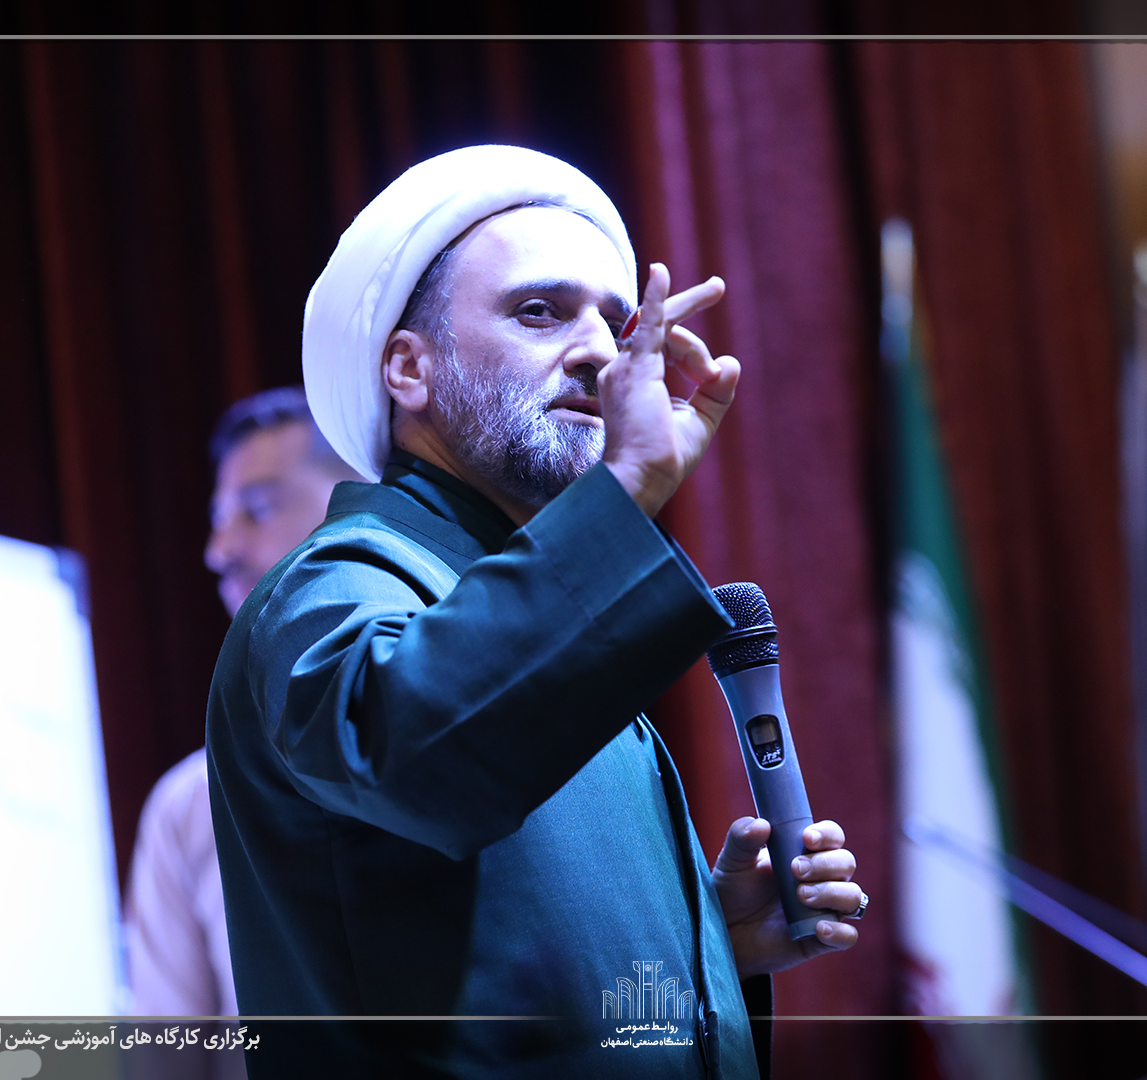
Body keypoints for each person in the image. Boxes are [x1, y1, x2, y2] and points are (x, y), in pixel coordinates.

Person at [207, 145, 866, 1079]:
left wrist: (705, 950)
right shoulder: (337, 583)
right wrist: (627, 486)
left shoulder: (549, 613)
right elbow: (412, 756)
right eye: (540, 312)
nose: (600, 354)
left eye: (616, 323)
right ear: (408, 368)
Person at [125, 387, 360, 1020]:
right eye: (219, 516)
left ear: (357, 502)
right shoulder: (190, 806)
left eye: (257, 509)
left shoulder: (464, 729)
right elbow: (169, 1052)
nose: (219, 549)